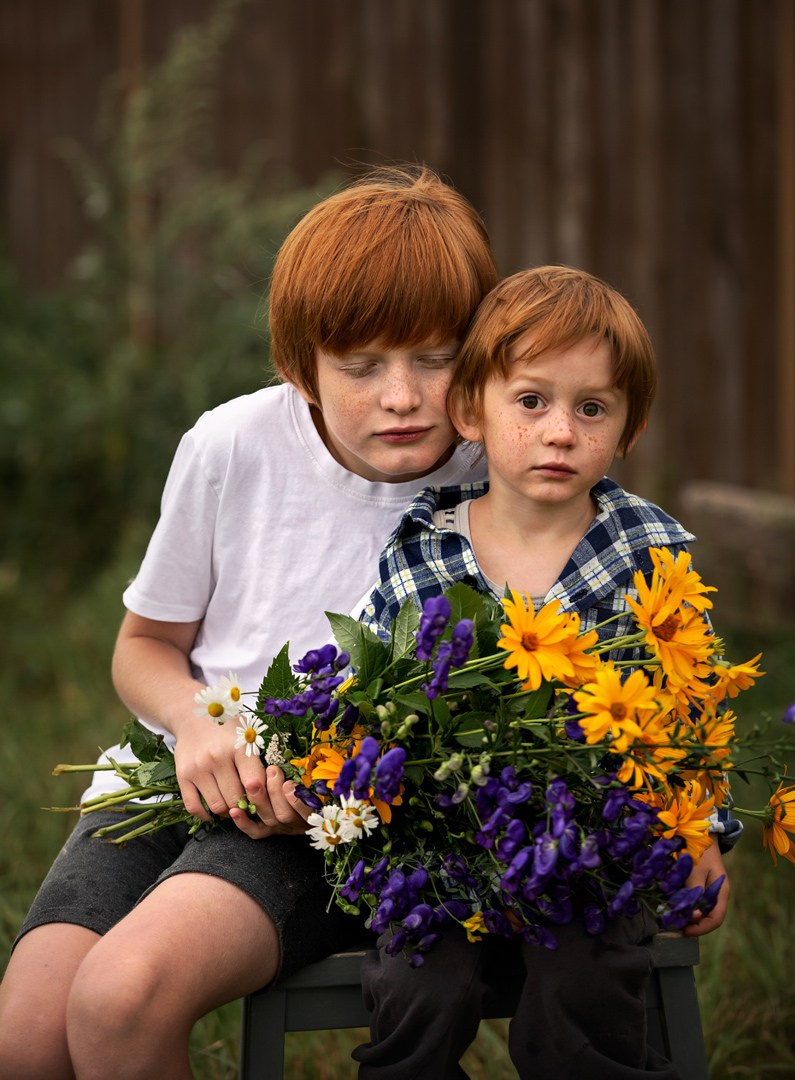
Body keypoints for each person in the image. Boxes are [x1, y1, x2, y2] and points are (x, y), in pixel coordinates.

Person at [0, 164, 498, 1080]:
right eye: (362, 367)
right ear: (299, 365)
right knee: (26, 1043)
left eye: (436, 359)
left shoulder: (500, 475)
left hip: (323, 826)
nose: (402, 396)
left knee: (119, 1000)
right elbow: (145, 645)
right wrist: (197, 723)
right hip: (173, 771)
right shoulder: (232, 446)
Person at [354, 265, 738, 1080]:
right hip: (452, 837)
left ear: (628, 428)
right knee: (417, 980)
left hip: (596, 844)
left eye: (591, 408)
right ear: (470, 411)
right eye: (531, 401)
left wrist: (699, 830)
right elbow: (377, 700)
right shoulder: (424, 549)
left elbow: (693, 702)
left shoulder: (646, 553)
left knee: (585, 981)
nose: (560, 432)